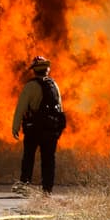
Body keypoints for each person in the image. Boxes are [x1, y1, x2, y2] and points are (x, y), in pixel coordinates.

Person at [12, 55, 65, 195]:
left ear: (34, 70)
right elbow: (60, 108)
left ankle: (25, 186)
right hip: (50, 129)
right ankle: (47, 190)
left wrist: (15, 127)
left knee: (29, 157)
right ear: (47, 69)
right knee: (49, 159)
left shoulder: (30, 86)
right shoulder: (54, 85)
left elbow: (21, 108)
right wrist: (58, 129)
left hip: (33, 129)